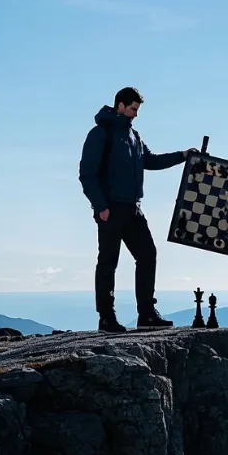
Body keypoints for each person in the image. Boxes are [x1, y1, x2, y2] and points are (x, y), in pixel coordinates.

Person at [79, 86, 198, 333]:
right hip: (110, 209)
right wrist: (100, 206)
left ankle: (146, 313)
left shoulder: (134, 136)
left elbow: (150, 160)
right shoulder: (101, 134)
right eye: (133, 109)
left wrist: (183, 155)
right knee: (108, 262)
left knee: (147, 255)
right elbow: (87, 174)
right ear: (120, 105)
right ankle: (106, 317)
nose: (136, 114)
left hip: (133, 208)